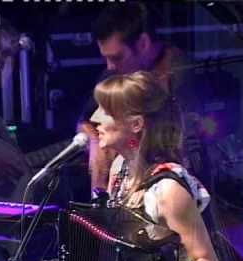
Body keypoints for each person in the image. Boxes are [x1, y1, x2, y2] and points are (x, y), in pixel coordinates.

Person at [91, 70, 221, 261]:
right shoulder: (118, 172)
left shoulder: (168, 191)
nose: (95, 119)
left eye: (105, 111)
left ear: (136, 124)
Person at [77, 2, 208, 196]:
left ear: (143, 43)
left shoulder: (180, 75)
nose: (110, 67)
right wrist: (97, 144)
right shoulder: (113, 74)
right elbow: (85, 122)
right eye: (106, 58)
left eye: (117, 57)